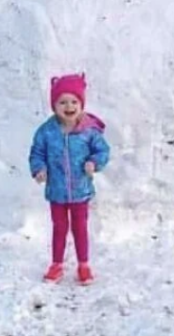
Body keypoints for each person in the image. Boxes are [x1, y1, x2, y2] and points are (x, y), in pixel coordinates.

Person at [28, 73, 110, 284]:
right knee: (59, 228)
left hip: (80, 190)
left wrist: (94, 162)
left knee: (80, 228)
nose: (69, 106)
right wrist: (39, 168)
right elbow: (37, 152)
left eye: (74, 101)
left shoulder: (89, 131)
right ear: (54, 105)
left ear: (81, 104)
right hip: (57, 191)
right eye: (62, 102)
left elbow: (102, 151)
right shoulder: (47, 132)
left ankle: (84, 265)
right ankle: (56, 264)